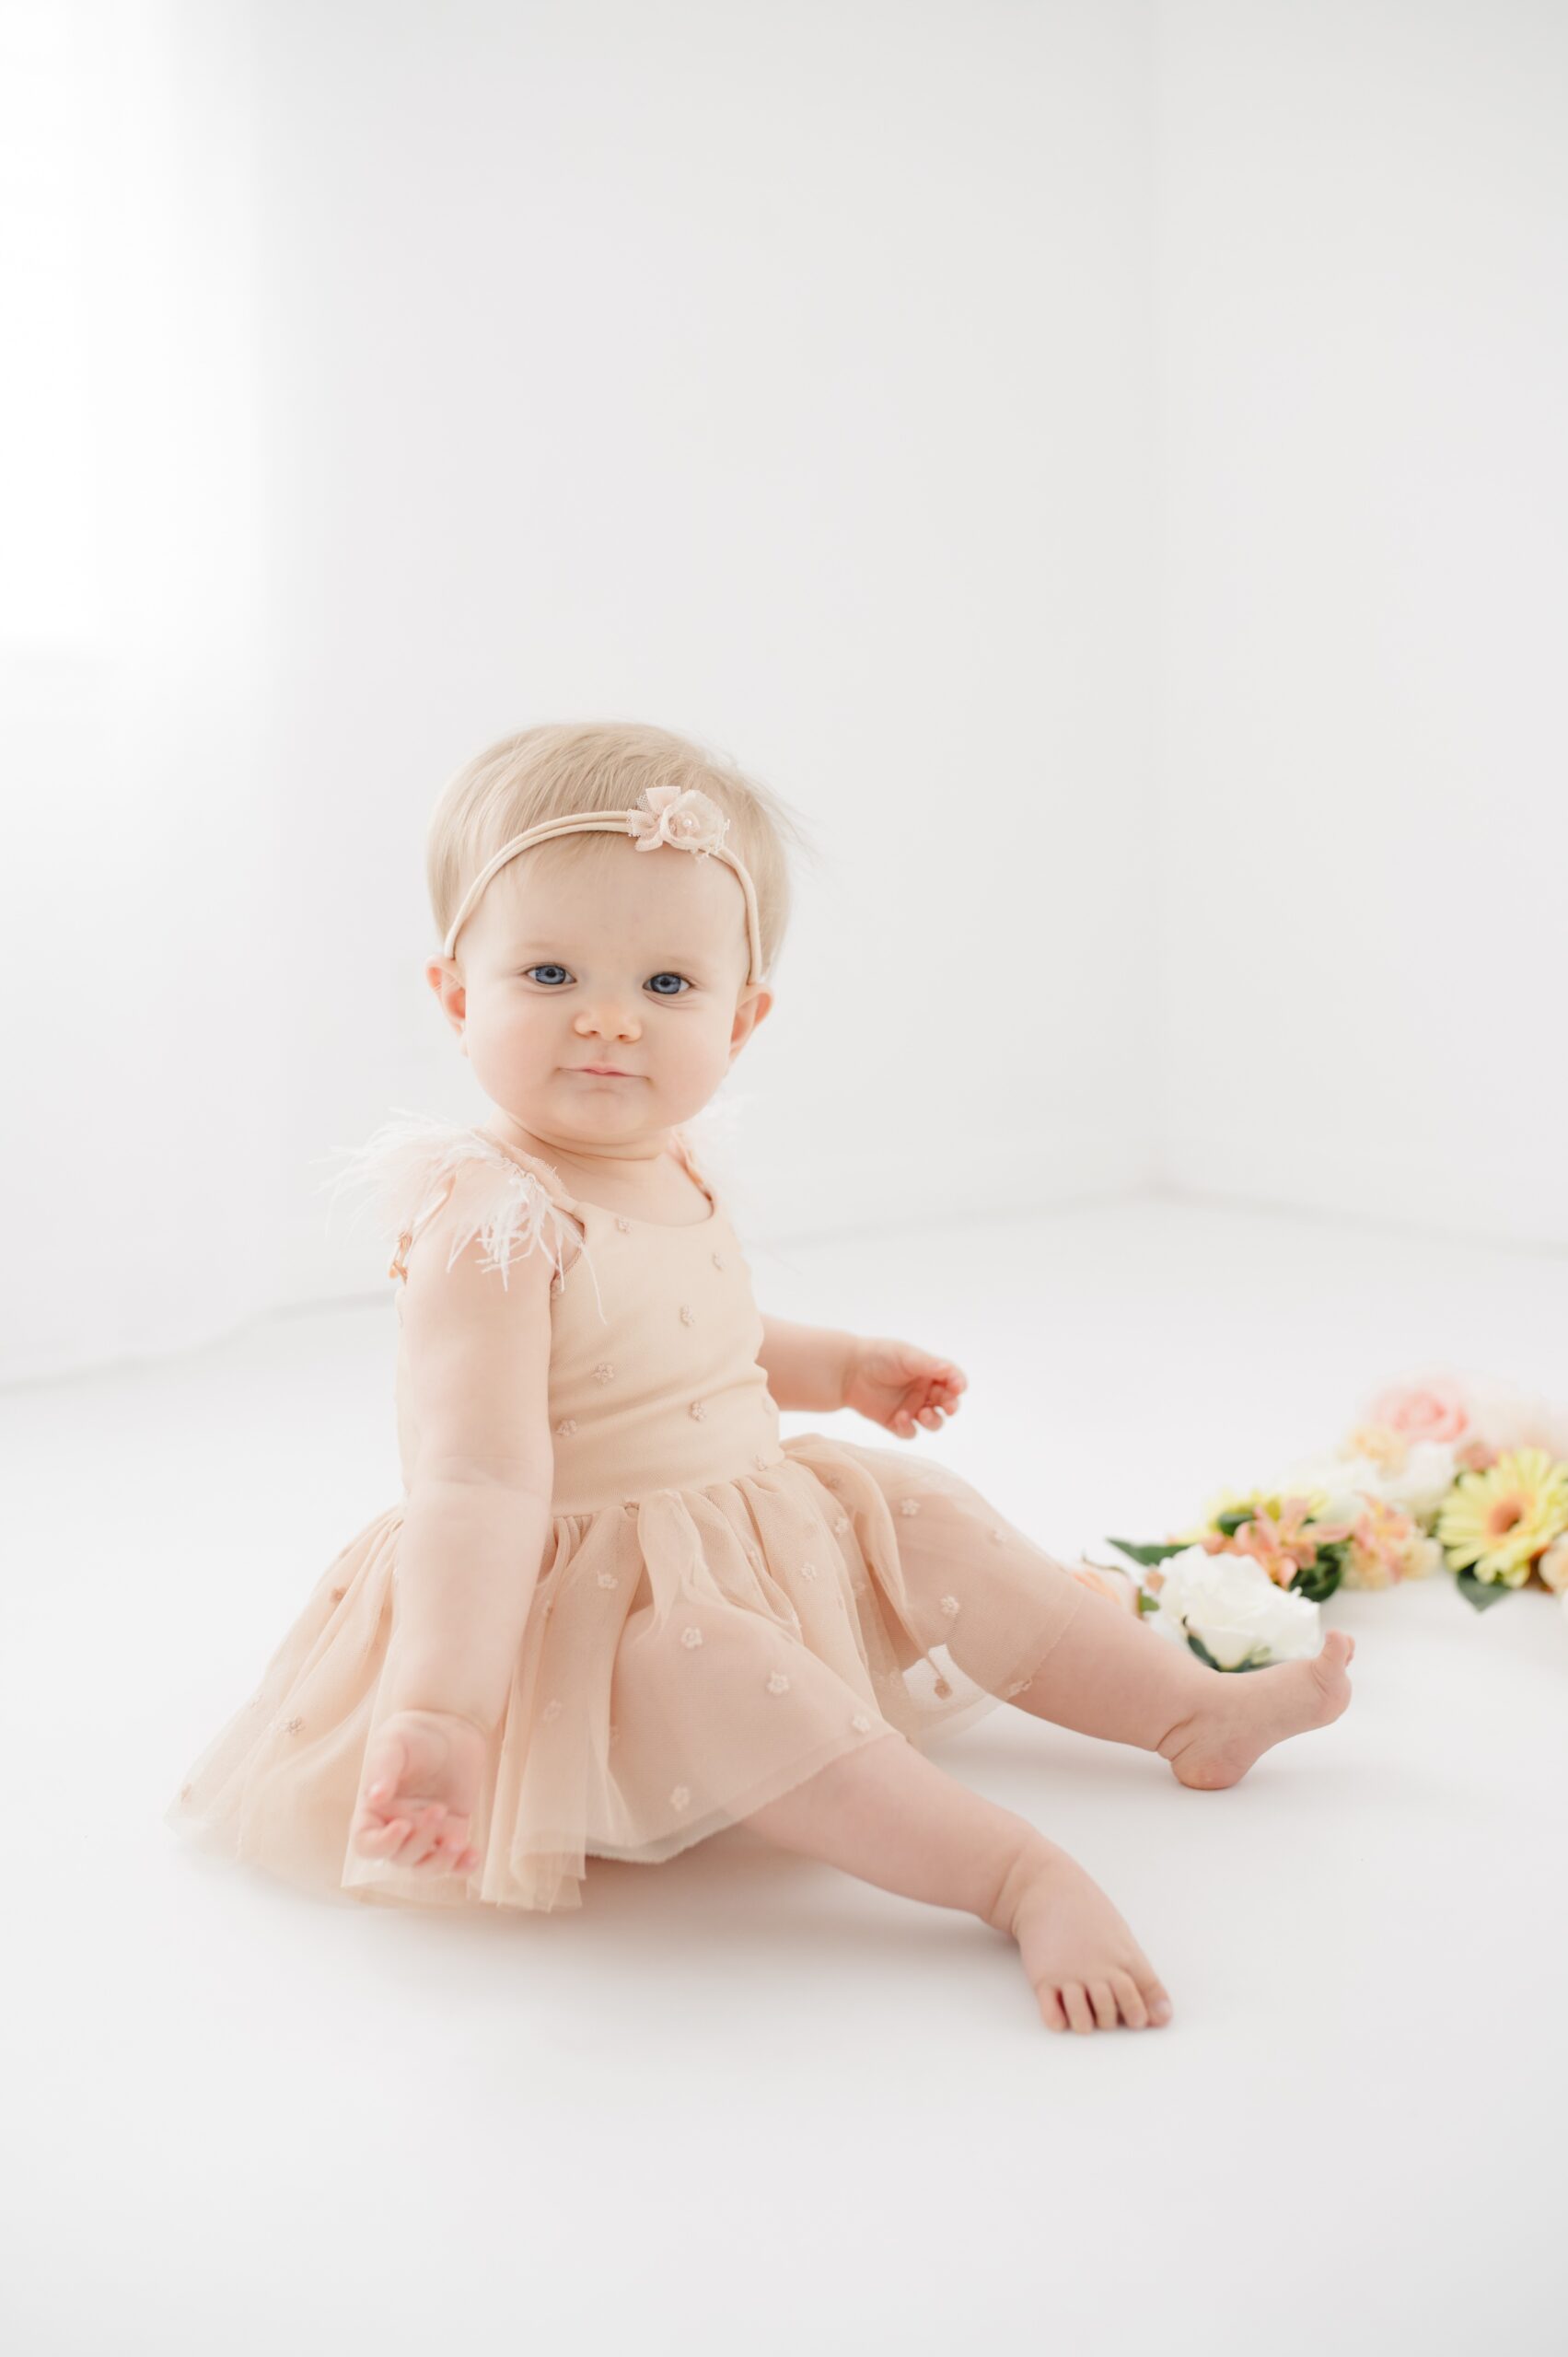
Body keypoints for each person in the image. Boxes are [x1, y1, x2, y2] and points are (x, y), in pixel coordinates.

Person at [165, 722, 1355, 2034]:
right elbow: (478, 1478)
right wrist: (446, 1710)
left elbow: (692, 1336)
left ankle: (1189, 1710)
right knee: (716, 1665)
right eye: (551, 971)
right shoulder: (489, 1219)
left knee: (927, 1512)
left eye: (668, 985)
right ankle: (1013, 1873)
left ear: (744, 1019)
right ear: (458, 995)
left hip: (740, 1516)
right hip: (570, 1610)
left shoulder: (678, 1162)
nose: (610, 1017)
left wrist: (835, 1368)